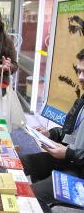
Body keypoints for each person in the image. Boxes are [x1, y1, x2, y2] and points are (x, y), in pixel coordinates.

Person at [20, 49, 84, 213]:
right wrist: (51, 134)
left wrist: (69, 154)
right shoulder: (82, 101)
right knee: (18, 163)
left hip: (78, 171)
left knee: (29, 197)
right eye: (79, 71)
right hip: (70, 160)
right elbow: (69, 133)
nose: (81, 77)